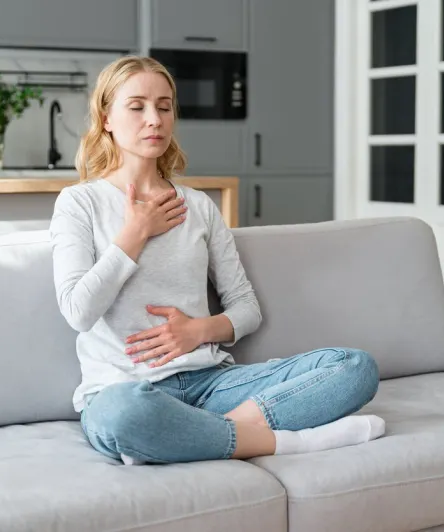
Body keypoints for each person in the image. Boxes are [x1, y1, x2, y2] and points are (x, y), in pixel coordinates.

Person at [49, 55, 385, 465]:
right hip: (125, 388)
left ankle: (194, 434)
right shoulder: (79, 203)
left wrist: (198, 331)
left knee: (354, 367)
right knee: (124, 415)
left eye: (164, 106)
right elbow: (78, 312)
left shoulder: (199, 206)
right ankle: (285, 442)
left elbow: (246, 308)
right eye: (136, 107)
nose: (153, 119)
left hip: (211, 384)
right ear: (106, 119)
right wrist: (135, 234)